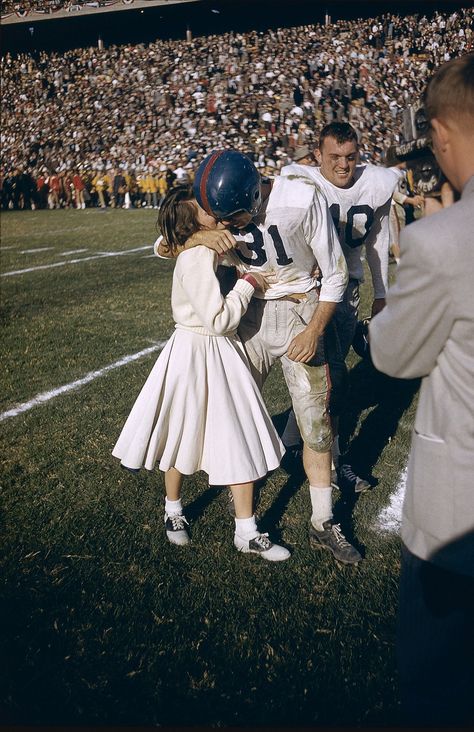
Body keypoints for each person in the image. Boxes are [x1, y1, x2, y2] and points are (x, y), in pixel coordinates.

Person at [159, 149, 362, 565]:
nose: (225, 226)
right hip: (247, 317)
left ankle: (323, 521)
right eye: (219, 218)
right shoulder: (213, 209)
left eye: (229, 218)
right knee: (230, 417)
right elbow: (163, 243)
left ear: (252, 197)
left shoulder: (301, 198)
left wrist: (313, 329)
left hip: (299, 311)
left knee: (315, 423)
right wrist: (197, 236)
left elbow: (336, 272)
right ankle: (240, 520)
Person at [369, 53, 474, 725]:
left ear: (440, 133)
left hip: (458, 523)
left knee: (439, 689)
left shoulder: (441, 242)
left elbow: (395, 357)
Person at [113, 185, 290, 562]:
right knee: (182, 432)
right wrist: (247, 284)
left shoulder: (209, 243)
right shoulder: (194, 254)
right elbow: (218, 320)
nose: (216, 212)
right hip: (198, 349)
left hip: (215, 350)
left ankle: (246, 529)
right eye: (205, 210)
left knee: (238, 433)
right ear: (195, 221)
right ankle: (173, 510)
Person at [281, 122, 403, 493]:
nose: (343, 165)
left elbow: (377, 241)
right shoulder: (298, 178)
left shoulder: (378, 183)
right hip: (312, 292)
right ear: (318, 155)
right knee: (333, 380)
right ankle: (334, 463)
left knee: (324, 380)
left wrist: (381, 293)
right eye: (334, 157)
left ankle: (287, 444)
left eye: (351, 157)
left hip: (347, 292)